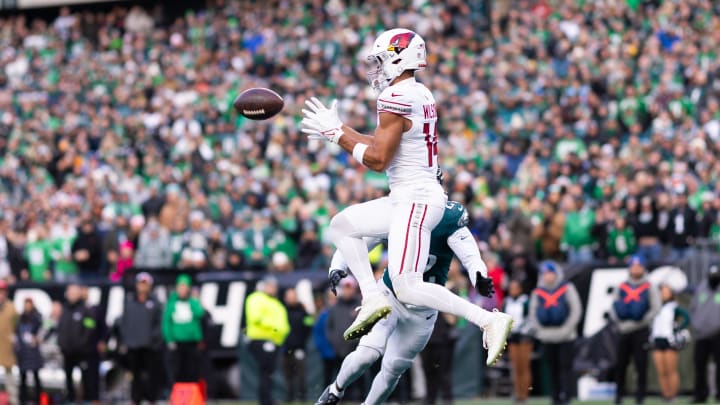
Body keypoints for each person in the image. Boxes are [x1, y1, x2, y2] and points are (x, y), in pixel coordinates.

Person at [301, 29, 511, 363]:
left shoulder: (395, 98)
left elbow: (377, 159)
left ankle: (489, 319)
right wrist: (339, 128)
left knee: (407, 286)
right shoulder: (417, 92)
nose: (377, 68)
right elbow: (383, 142)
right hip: (410, 196)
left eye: (381, 59)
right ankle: (372, 297)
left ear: (399, 58)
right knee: (341, 226)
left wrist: (336, 136)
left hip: (415, 199)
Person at [316, 200, 497, 405]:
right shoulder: (400, 211)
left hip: (424, 308)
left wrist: (478, 275)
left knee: (392, 370)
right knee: (366, 354)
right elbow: (360, 237)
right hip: (390, 295)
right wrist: (338, 265)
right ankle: (334, 391)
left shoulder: (448, 219)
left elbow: (471, 256)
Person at [528, 261, 582, 405]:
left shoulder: (567, 288)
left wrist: (566, 330)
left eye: (550, 273)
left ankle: (567, 396)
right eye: (545, 274)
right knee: (553, 369)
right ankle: (555, 396)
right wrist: (541, 332)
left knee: (566, 368)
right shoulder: (537, 292)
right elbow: (532, 314)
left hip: (566, 336)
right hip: (547, 337)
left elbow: (576, 310)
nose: (548, 277)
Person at [609, 255, 661, 405]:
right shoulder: (622, 286)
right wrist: (621, 324)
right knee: (620, 364)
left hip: (641, 330)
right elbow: (613, 307)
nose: (636, 269)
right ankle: (619, 395)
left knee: (641, 364)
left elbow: (655, 308)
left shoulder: (649, 286)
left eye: (639, 266)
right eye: (633, 266)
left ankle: (640, 396)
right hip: (623, 330)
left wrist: (640, 322)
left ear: (643, 268)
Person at [117, 272, 164, 404]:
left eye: (145, 284)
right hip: (133, 345)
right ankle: (135, 399)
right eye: (140, 283)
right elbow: (123, 322)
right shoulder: (129, 301)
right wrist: (126, 339)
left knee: (151, 375)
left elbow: (159, 324)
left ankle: (152, 399)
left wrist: (153, 339)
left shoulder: (155, 303)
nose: (143, 287)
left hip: (150, 347)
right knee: (134, 375)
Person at [244, 275, 290, 405]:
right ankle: (265, 400)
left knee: (269, 372)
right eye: (270, 285)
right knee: (265, 370)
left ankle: (267, 399)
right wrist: (275, 328)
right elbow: (255, 318)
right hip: (261, 339)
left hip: (275, 341)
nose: (273, 288)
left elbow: (283, 324)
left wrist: (281, 332)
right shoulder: (256, 298)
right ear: (264, 285)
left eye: (274, 286)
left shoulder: (276, 303)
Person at [57, 283, 97, 403]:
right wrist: (62, 343)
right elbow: (60, 327)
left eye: (74, 293)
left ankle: (86, 400)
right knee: (68, 377)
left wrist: (83, 343)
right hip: (67, 351)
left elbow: (91, 327)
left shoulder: (86, 309)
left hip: (81, 352)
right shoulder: (64, 309)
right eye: (70, 293)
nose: (72, 295)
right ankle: (70, 400)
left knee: (86, 377)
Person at [650, 284, 690, 403]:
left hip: (669, 341)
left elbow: (687, 318)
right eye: (662, 291)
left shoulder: (674, 307)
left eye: (666, 291)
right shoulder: (655, 307)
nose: (664, 294)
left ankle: (672, 395)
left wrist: (677, 327)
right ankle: (665, 395)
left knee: (671, 370)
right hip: (657, 340)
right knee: (661, 370)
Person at [162, 274, 205, 384]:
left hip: (191, 343)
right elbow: (166, 322)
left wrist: (196, 301)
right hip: (177, 343)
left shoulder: (192, 302)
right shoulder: (172, 303)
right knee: (176, 371)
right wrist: (169, 339)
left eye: (185, 286)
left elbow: (200, 314)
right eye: (180, 286)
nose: (182, 289)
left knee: (191, 371)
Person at [690, 263, 720, 404]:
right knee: (699, 365)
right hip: (701, 334)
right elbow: (693, 308)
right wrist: (697, 325)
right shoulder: (701, 288)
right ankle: (700, 394)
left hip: (718, 334)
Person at [504, 279, 533, 404]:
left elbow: (530, 318)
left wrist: (522, 329)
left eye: (515, 287)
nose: (513, 290)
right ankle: (518, 393)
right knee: (515, 367)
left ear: (520, 289)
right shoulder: (507, 301)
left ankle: (525, 394)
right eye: (511, 288)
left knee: (524, 366)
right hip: (512, 337)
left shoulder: (525, 301)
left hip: (524, 336)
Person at [282, 287, 313, 402]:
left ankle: (302, 398)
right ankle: (289, 398)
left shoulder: (302, 310)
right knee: (288, 376)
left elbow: (309, 326)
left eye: (293, 296)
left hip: (300, 347)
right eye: (289, 296)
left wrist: (301, 342)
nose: (291, 299)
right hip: (286, 348)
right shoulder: (282, 310)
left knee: (301, 376)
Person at [421, 311, 458, 405]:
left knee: (444, 374)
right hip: (426, 341)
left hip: (444, 341)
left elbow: (452, 320)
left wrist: (439, 304)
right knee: (428, 374)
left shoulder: (450, 295)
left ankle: (447, 400)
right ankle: (429, 400)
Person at [15, 298, 44, 405]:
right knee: (23, 377)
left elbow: (45, 328)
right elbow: (17, 332)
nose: (27, 306)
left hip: (33, 352)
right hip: (23, 352)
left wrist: (38, 338)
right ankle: (23, 399)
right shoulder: (20, 318)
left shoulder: (37, 317)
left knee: (36, 376)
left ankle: (37, 400)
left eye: (29, 304)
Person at [0, 280, 18, 405]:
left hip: (7, 348)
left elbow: (17, 326)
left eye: (2, 291)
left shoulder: (11, 308)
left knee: (10, 380)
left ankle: (13, 401)